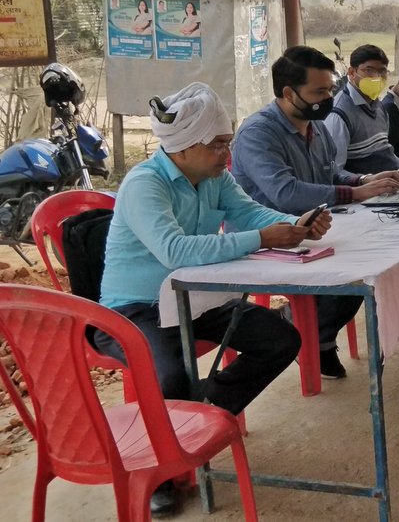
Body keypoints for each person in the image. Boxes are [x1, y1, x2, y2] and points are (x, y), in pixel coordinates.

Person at [96, 82, 313, 516]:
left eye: (226, 143)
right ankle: (160, 474)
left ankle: (209, 407)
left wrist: (296, 223)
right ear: (185, 147)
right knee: (171, 375)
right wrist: (261, 238)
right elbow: (174, 250)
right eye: (217, 146)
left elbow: (250, 212)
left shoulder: (215, 177)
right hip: (135, 308)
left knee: (280, 339)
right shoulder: (145, 184)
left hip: (193, 298)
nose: (225, 155)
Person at [232, 46, 399, 379]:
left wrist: (367, 180)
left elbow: (332, 174)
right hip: (269, 235)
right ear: (288, 92)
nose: (329, 97)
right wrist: (355, 192)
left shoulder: (316, 125)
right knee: (353, 269)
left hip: (316, 228)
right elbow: (286, 194)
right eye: (319, 91)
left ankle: (317, 335)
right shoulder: (258, 133)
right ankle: (303, 328)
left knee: (373, 257)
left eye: (329, 89)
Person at [324, 44, 399, 174]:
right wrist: (367, 181)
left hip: (390, 182)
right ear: (352, 72)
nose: (376, 76)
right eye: (369, 70)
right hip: (365, 190)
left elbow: (383, 150)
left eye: (382, 71)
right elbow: (334, 172)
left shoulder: (379, 106)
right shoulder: (339, 115)